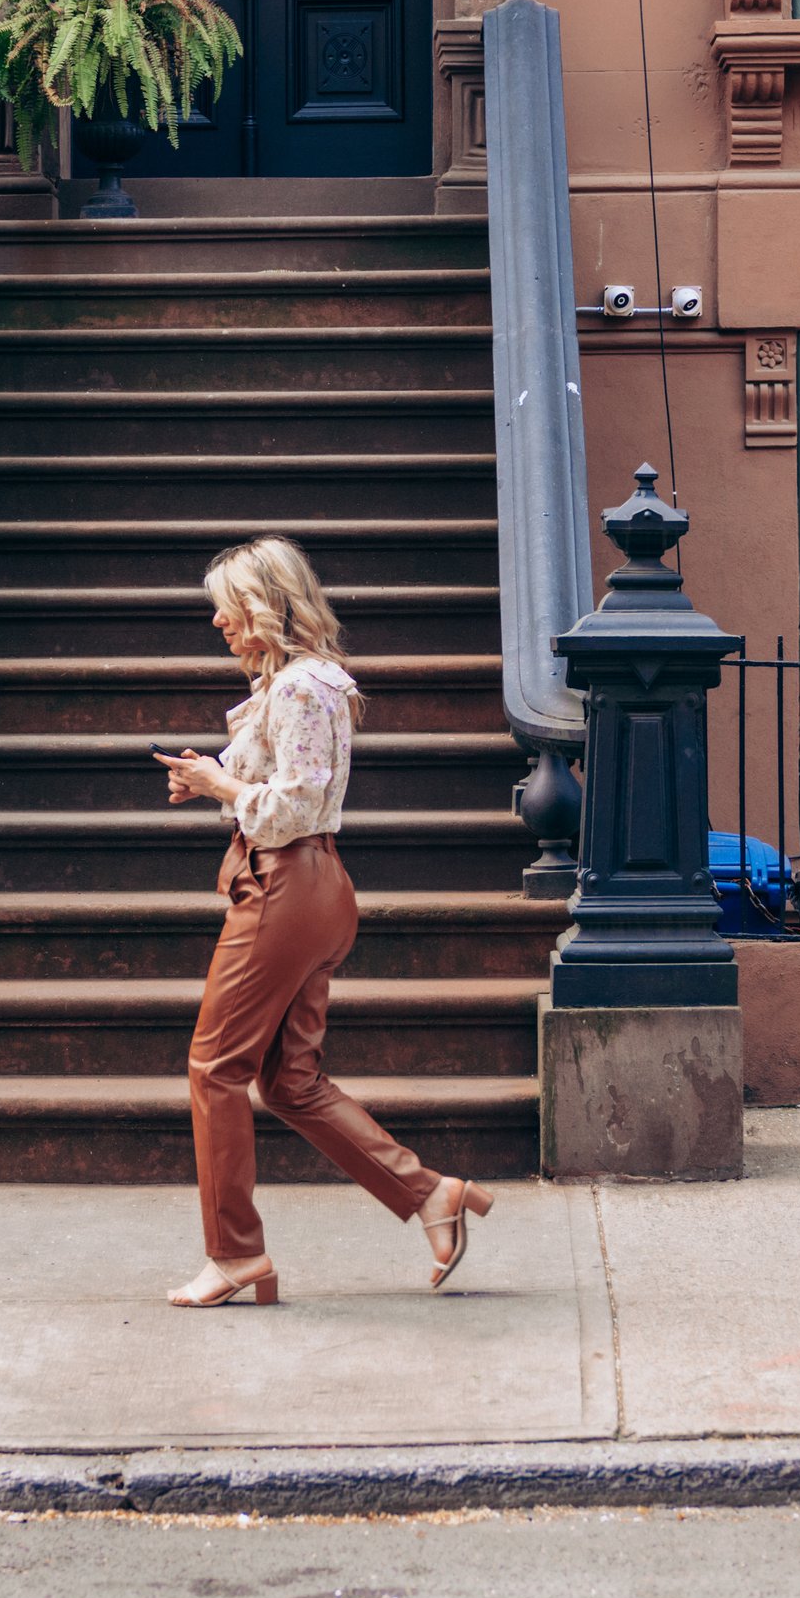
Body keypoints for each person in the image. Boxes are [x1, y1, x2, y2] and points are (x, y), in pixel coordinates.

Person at [156, 535, 493, 1307]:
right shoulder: (298, 685)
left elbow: (295, 805)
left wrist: (220, 789)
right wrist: (207, 779)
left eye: (227, 605)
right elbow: (278, 783)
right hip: (307, 887)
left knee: (214, 1068)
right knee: (290, 1080)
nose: (216, 620)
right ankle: (431, 1194)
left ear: (265, 606)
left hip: (286, 886)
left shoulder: (304, 688)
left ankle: (235, 1254)